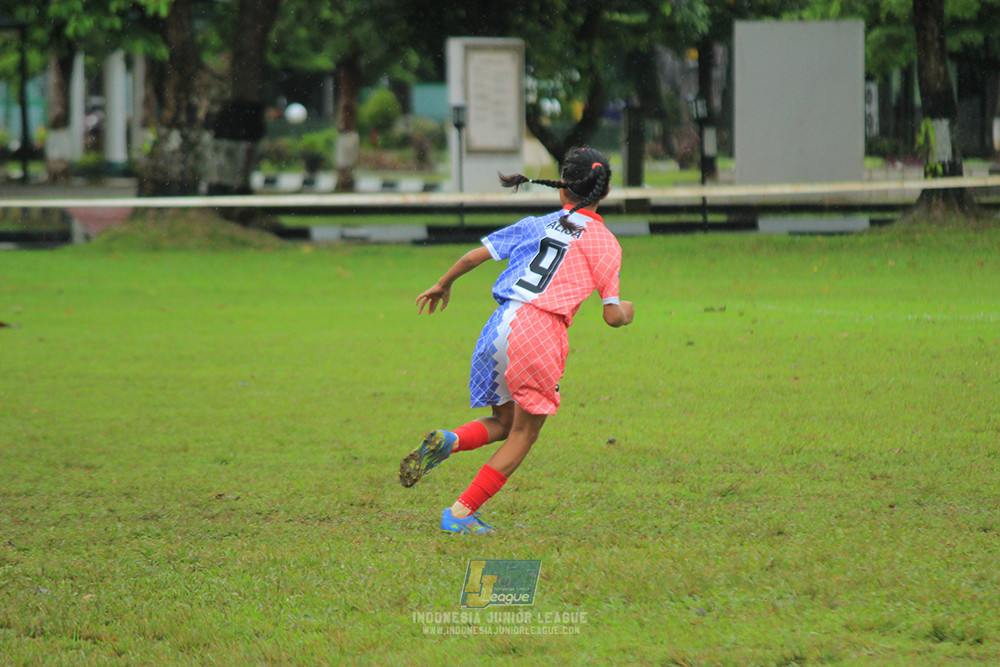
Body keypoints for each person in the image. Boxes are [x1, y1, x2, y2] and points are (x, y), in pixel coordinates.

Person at [398, 146, 635, 534]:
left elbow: (476, 256)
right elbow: (612, 316)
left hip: (499, 324)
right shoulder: (606, 243)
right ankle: (460, 514)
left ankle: (450, 440)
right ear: (604, 193)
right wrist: (627, 310)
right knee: (526, 432)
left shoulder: (536, 223)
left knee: (505, 422)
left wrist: (443, 284)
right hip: (540, 332)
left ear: (563, 189)